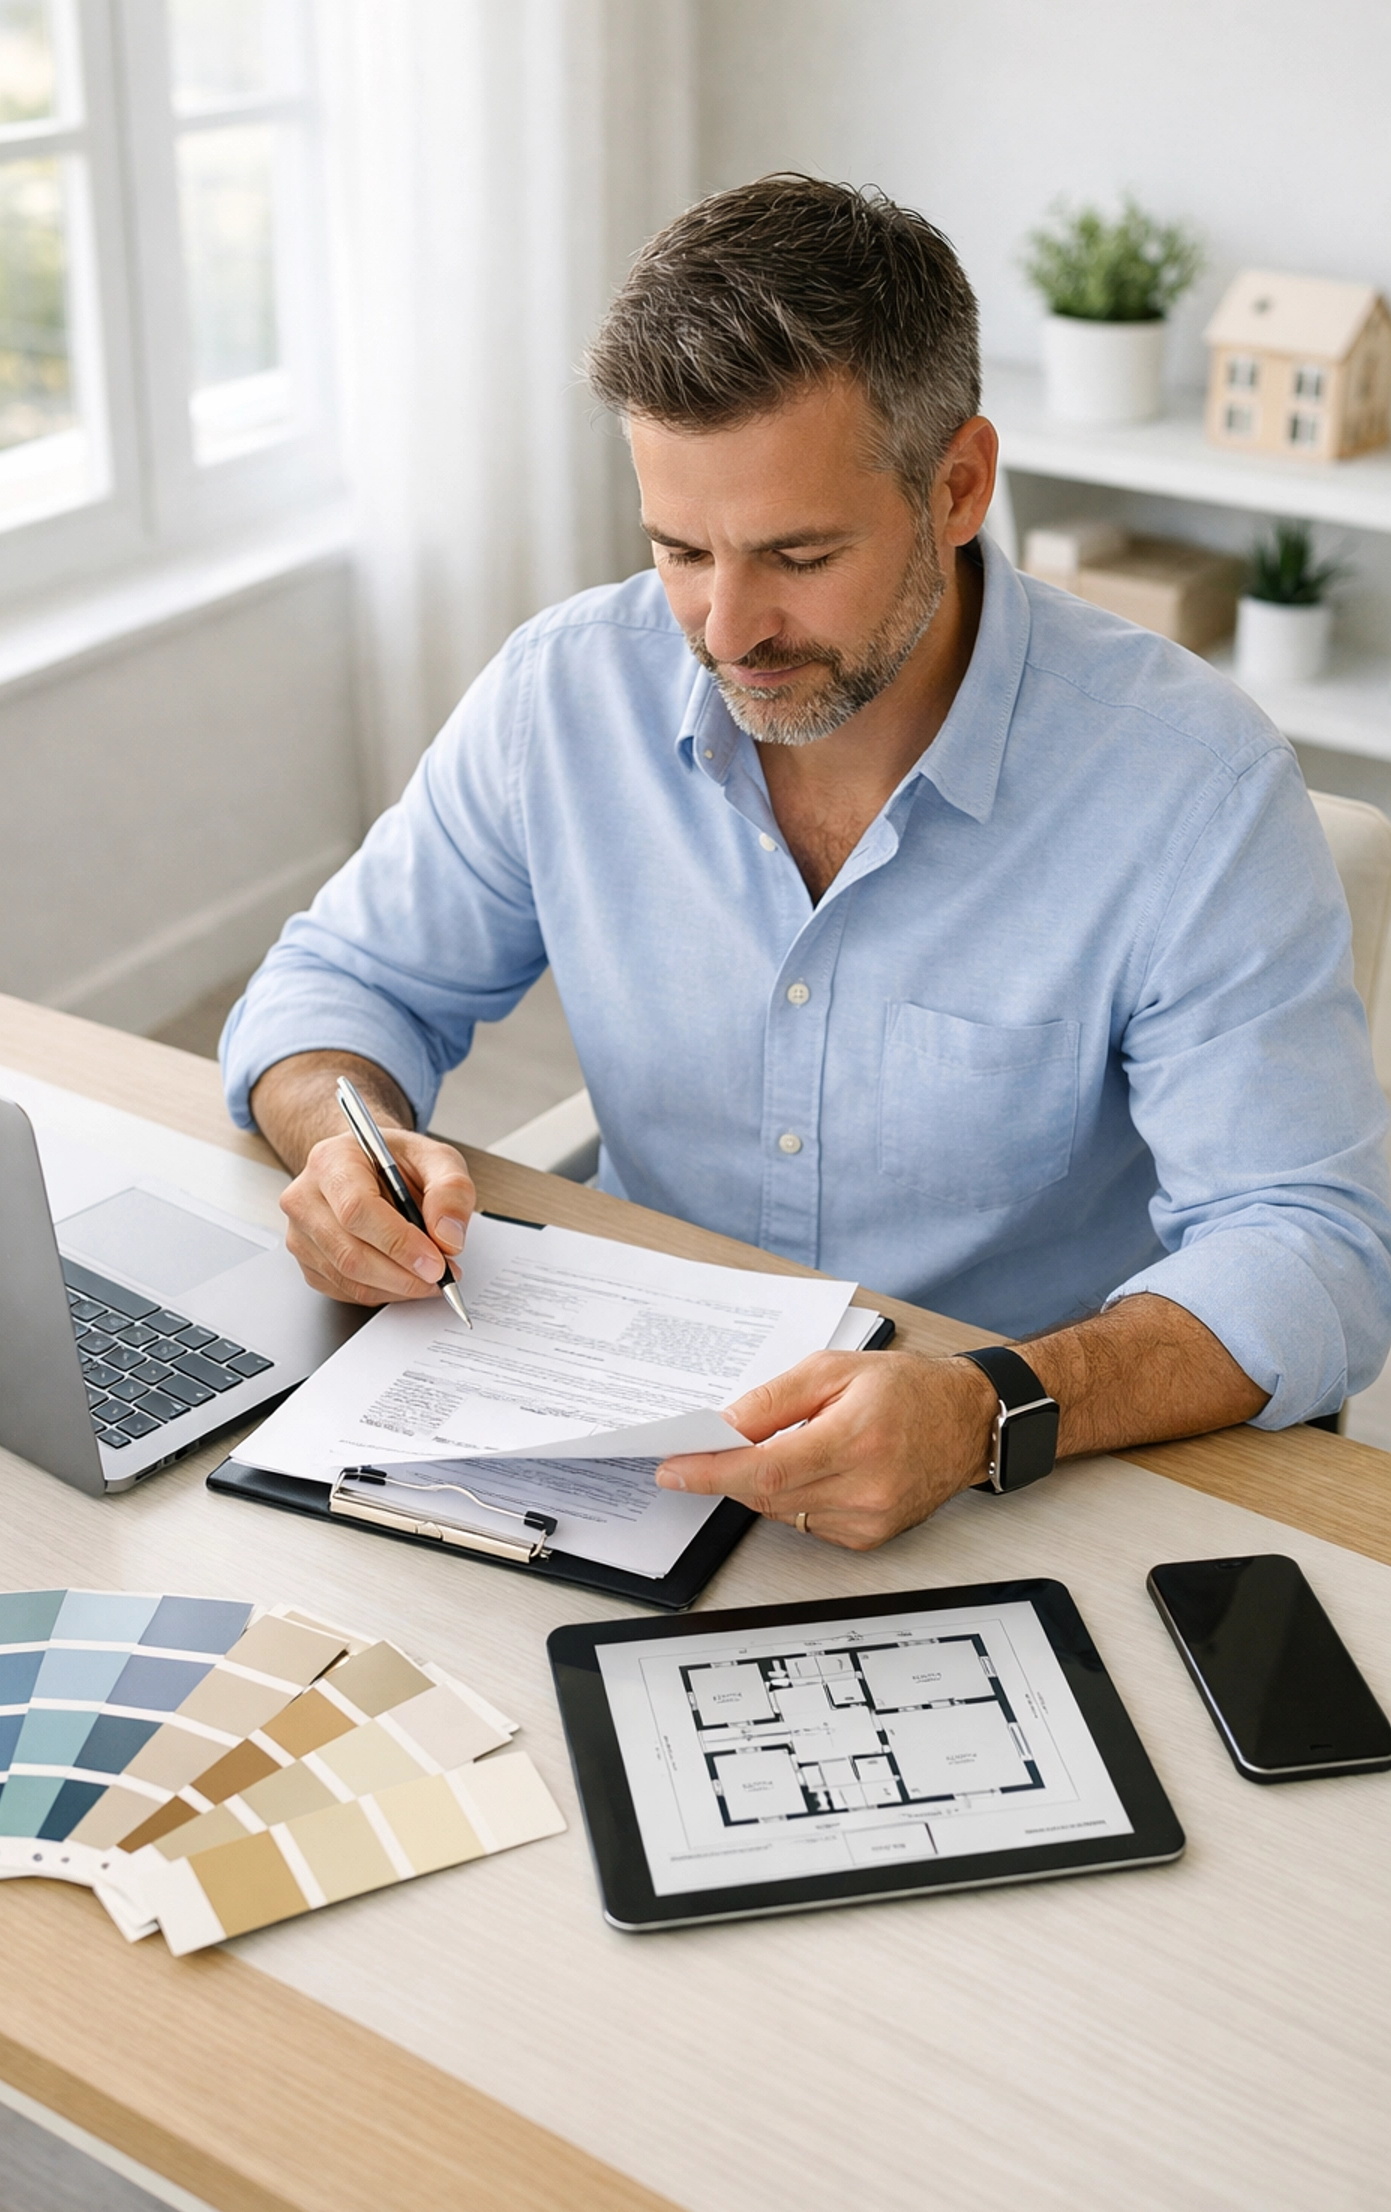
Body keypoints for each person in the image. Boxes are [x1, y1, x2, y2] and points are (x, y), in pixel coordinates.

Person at [221, 174, 1391, 1549]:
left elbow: (1312, 1248)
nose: (726, 629)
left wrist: (983, 1407)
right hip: (628, 1432)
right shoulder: (564, 692)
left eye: (798, 554)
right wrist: (349, 1146)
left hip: (1024, 1467)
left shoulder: (1190, 784)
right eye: (678, 551)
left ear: (957, 486)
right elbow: (336, 990)